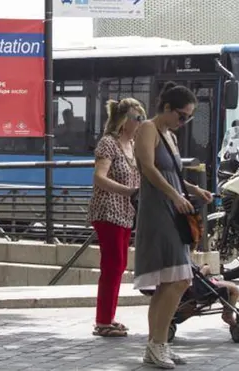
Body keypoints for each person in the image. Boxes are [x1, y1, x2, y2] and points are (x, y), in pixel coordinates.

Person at [133, 82, 213, 369]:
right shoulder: (148, 129)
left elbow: (173, 173)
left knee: (171, 281)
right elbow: (148, 168)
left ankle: (157, 345)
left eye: (189, 117)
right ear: (166, 108)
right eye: (182, 116)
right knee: (178, 279)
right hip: (159, 209)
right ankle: (156, 345)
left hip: (172, 206)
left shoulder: (168, 135)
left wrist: (191, 190)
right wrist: (175, 195)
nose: (185, 122)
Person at [88, 98, 146, 337]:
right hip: (108, 210)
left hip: (125, 212)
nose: (142, 122)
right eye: (138, 118)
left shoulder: (133, 144)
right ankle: (102, 321)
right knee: (112, 265)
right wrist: (127, 192)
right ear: (124, 121)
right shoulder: (108, 143)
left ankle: (108, 318)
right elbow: (99, 177)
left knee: (119, 265)